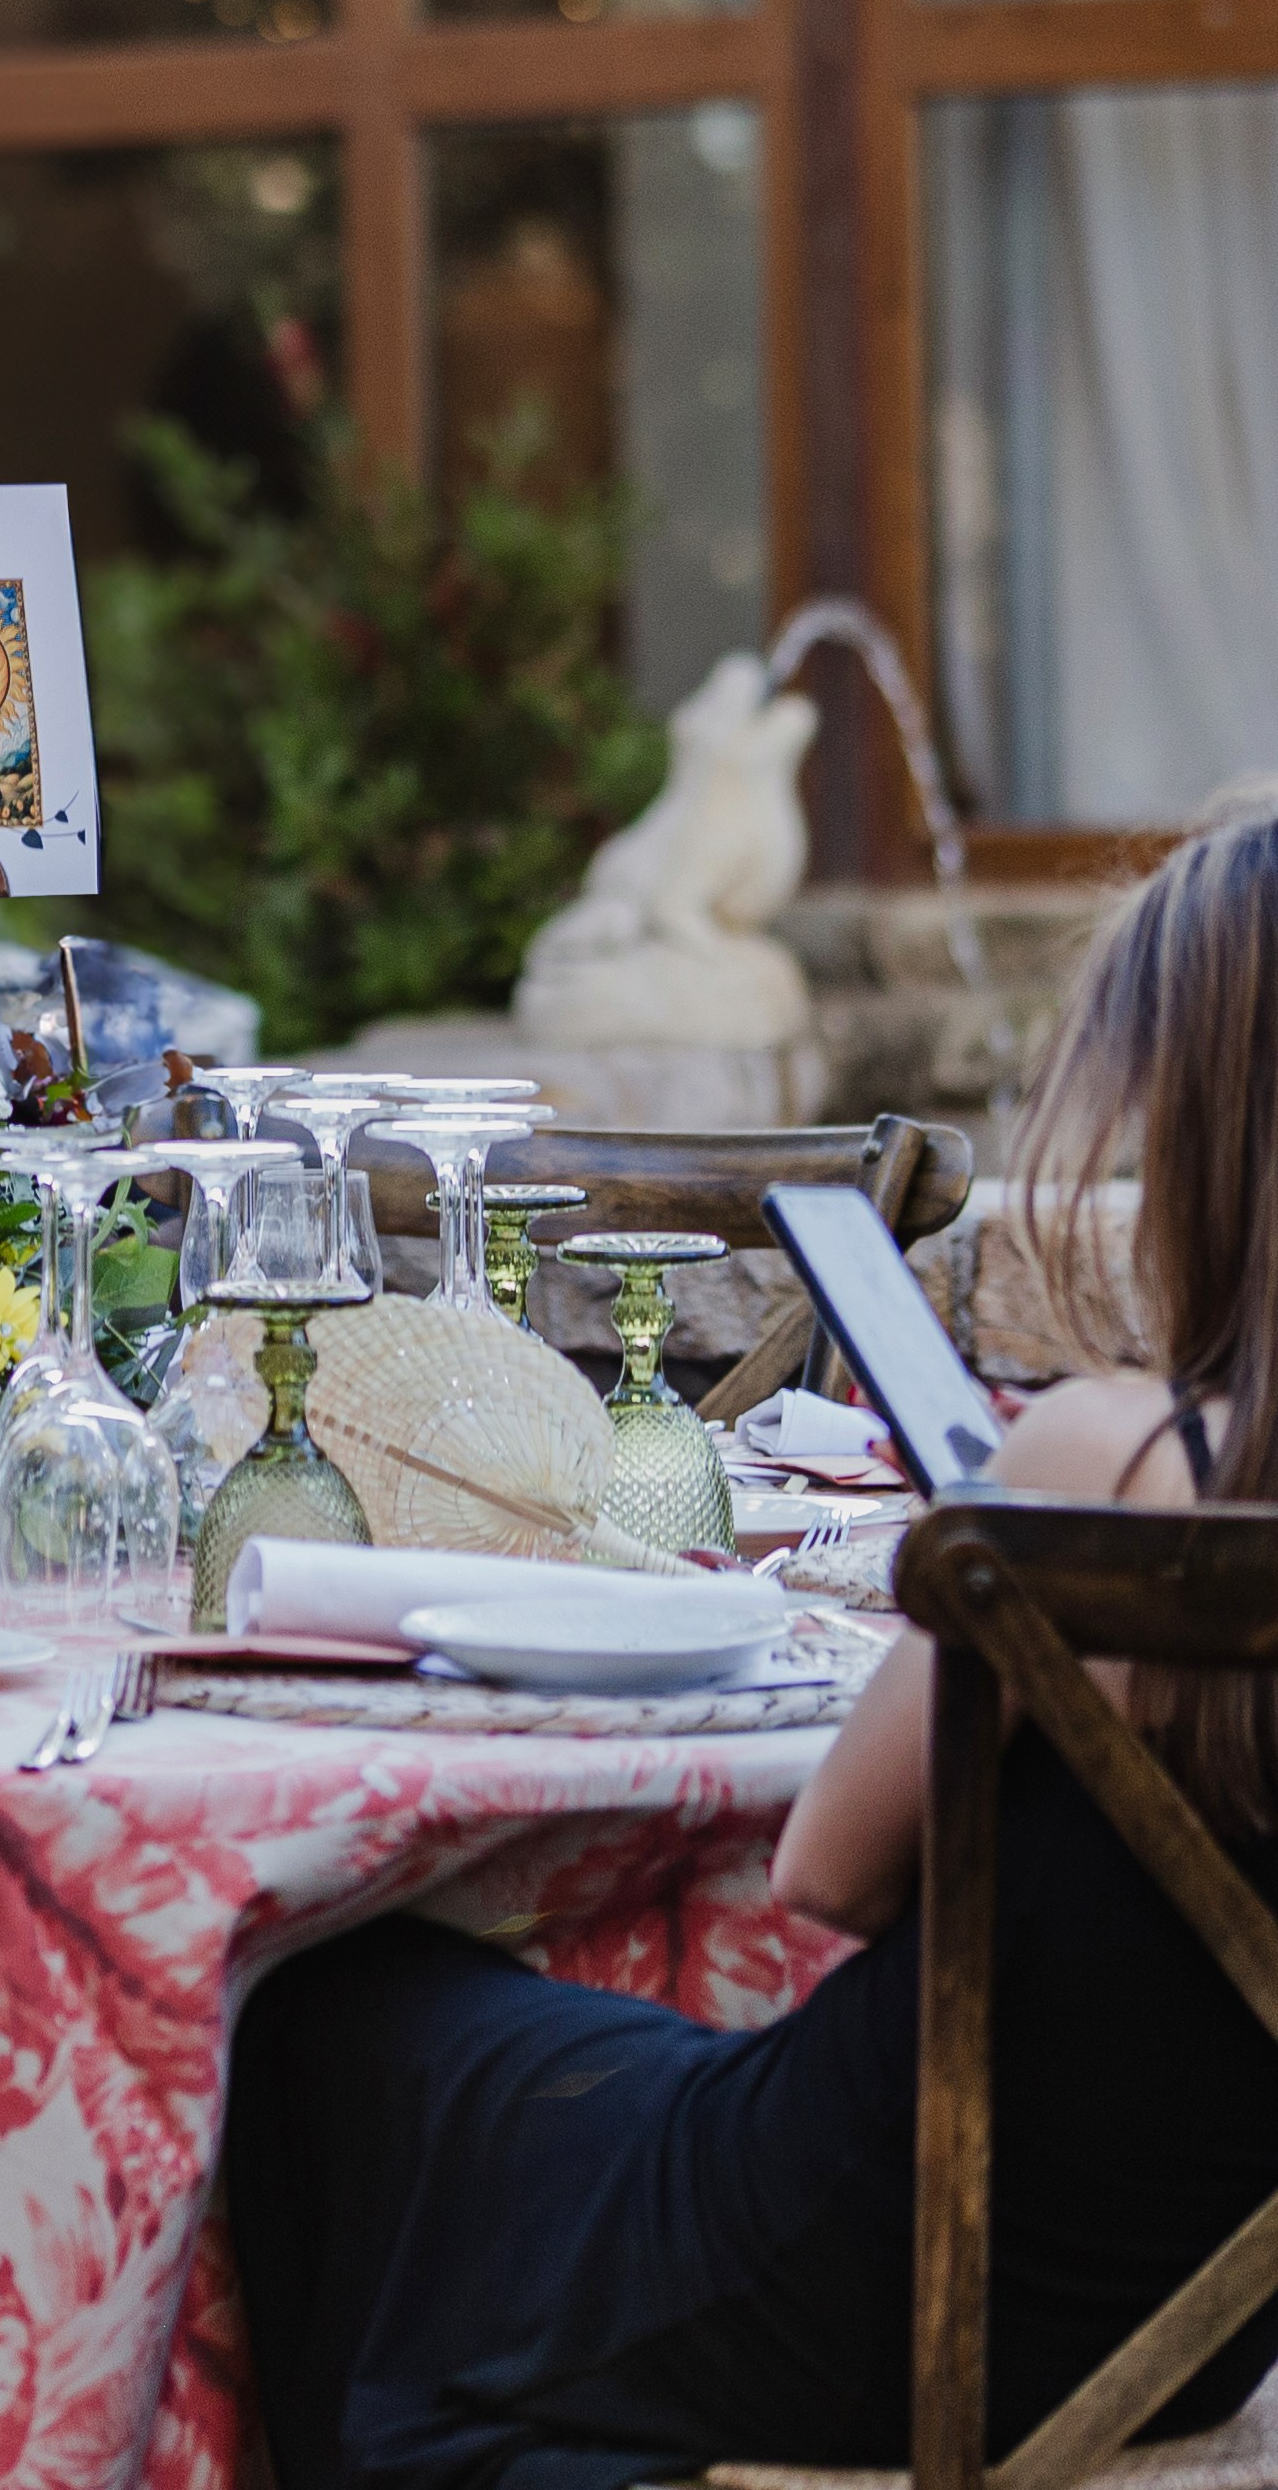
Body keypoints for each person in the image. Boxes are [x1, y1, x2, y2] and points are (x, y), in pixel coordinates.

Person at [226, 808, 1278, 2490]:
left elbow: (828, 1870)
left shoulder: (1114, 1463)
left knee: (321, 2012)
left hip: (879, 2261)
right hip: (1186, 2303)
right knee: (502, 2063)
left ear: (1210, 1140)